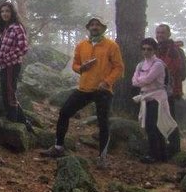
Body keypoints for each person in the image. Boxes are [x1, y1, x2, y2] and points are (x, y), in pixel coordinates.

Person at [42, 16, 124, 168]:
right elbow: (75, 64)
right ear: (88, 28)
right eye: (92, 25)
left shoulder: (111, 46)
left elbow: (119, 67)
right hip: (84, 87)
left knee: (103, 122)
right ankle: (58, 147)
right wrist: (81, 68)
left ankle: (102, 158)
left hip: (103, 90)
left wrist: (107, 82)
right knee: (64, 112)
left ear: (103, 28)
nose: (94, 27)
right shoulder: (81, 45)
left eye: (97, 25)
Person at [132, 37, 178, 163]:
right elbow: (134, 81)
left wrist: (140, 80)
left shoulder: (158, 64)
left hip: (157, 98)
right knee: (150, 127)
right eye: (144, 49)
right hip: (146, 98)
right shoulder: (140, 64)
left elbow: (146, 80)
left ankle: (156, 155)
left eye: (149, 49)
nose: (146, 51)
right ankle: (159, 155)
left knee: (153, 126)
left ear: (154, 50)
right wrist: (142, 80)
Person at [0, 1, 31, 128]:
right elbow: (1, 48)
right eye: (2, 11)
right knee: (7, 92)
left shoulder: (17, 27)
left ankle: (13, 122)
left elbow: (23, 48)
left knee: (10, 93)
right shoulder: (5, 29)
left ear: (12, 13)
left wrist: (6, 57)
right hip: (4, 66)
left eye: (7, 11)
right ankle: (24, 122)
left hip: (12, 66)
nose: (5, 14)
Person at [155, 23, 186, 156]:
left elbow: (183, 72)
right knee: (158, 118)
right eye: (158, 32)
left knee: (170, 118)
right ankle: (162, 148)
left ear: (168, 34)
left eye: (162, 32)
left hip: (171, 91)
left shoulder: (176, 50)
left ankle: (174, 148)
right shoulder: (154, 49)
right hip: (156, 90)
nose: (159, 35)